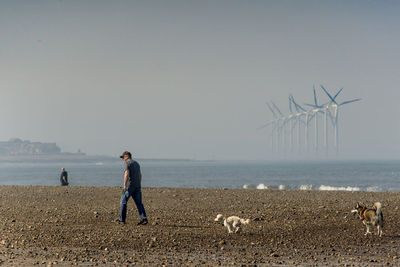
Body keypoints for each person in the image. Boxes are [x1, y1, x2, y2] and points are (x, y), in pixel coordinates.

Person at [118, 151, 148, 225]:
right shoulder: (136, 163)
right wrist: (139, 184)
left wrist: (124, 185)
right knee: (139, 203)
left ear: (127, 156)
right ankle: (144, 218)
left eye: (123, 157)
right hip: (137, 186)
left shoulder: (127, 163)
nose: (122, 159)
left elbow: (126, 174)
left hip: (129, 186)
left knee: (123, 202)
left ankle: (122, 220)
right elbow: (140, 175)